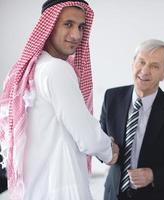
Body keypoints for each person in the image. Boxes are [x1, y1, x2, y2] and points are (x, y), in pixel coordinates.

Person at [0, 0, 119, 199]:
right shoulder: (56, 70)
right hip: (60, 188)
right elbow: (88, 137)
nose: (76, 35)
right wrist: (109, 149)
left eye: (81, 27)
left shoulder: (31, 70)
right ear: (49, 24)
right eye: (68, 24)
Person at [100, 39, 164, 200]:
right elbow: (101, 138)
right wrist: (105, 151)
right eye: (142, 62)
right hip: (114, 194)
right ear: (133, 64)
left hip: (158, 195)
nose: (145, 71)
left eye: (154, 66)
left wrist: (153, 175)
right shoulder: (112, 98)